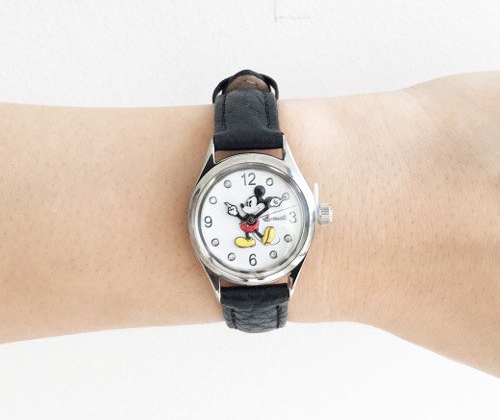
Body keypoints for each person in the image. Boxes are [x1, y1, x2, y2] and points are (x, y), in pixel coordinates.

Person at [0, 71, 498, 376]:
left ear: (316, 210)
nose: (252, 219)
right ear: (312, 208)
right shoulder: (264, 215)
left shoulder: (287, 217)